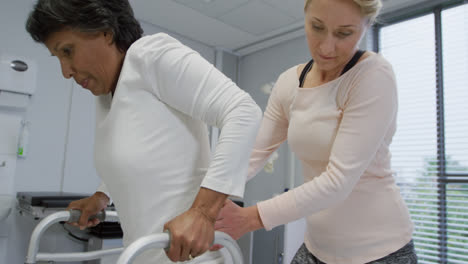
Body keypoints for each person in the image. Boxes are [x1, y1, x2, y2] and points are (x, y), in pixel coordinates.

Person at [25, 0, 262, 263]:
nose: (65, 71)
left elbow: (243, 111)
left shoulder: (150, 55)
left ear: (105, 31)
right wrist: (101, 196)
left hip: (191, 257)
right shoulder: (107, 94)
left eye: (68, 51)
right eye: (58, 58)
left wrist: (203, 213)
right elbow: (142, 154)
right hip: (143, 255)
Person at [214, 0, 418, 263]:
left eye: (344, 33)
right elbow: (253, 154)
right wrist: (206, 199)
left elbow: (337, 181)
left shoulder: (372, 76)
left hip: (381, 251)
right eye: (317, 27)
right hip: (317, 247)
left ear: (366, 26)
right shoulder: (289, 82)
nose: (326, 47)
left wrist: (248, 218)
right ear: (305, 15)